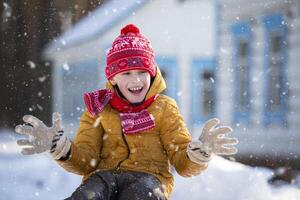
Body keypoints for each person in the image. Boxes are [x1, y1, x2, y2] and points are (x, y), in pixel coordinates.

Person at [15, 24, 238, 200]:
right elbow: (86, 161)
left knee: (140, 195)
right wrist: (62, 149)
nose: (136, 80)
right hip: (103, 177)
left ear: (152, 74)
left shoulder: (164, 108)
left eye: (142, 71)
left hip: (150, 179)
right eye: (127, 73)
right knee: (87, 194)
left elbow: (182, 162)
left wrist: (198, 155)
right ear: (112, 78)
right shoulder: (98, 108)